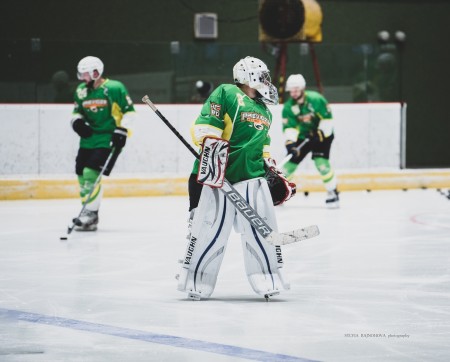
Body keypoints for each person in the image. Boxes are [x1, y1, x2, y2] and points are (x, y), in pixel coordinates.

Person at [176, 56, 296, 301]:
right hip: (218, 179)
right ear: (248, 77)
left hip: (251, 179)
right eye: (262, 76)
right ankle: (197, 280)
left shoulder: (264, 110)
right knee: (209, 231)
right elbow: (206, 126)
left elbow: (262, 146)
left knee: (260, 229)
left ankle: (267, 276)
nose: (266, 81)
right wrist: (212, 151)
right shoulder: (227, 93)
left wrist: (271, 169)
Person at [70, 56, 135, 231]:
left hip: (108, 138)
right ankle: (88, 214)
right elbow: (77, 112)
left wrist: (122, 130)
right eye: (81, 74)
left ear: (96, 72)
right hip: (88, 139)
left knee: (91, 173)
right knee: (81, 175)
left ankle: (90, 214)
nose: (82, 78)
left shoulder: (114, 88)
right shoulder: (81, 90)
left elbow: (130, 112)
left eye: (85, 74)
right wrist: (76, 122)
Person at [281, 74, 339, 208]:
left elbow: (327, 120)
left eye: (296, 89)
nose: (294, 93)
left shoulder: (316, 99)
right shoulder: (289, 107)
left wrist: (320, 133)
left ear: (302, 88)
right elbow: (290, 127)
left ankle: (333, 192)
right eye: (291, 90)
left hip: (322, 136)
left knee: (321, 163)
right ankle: (279, 193)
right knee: (289, 165)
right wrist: (290, 143)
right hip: (303, 136)